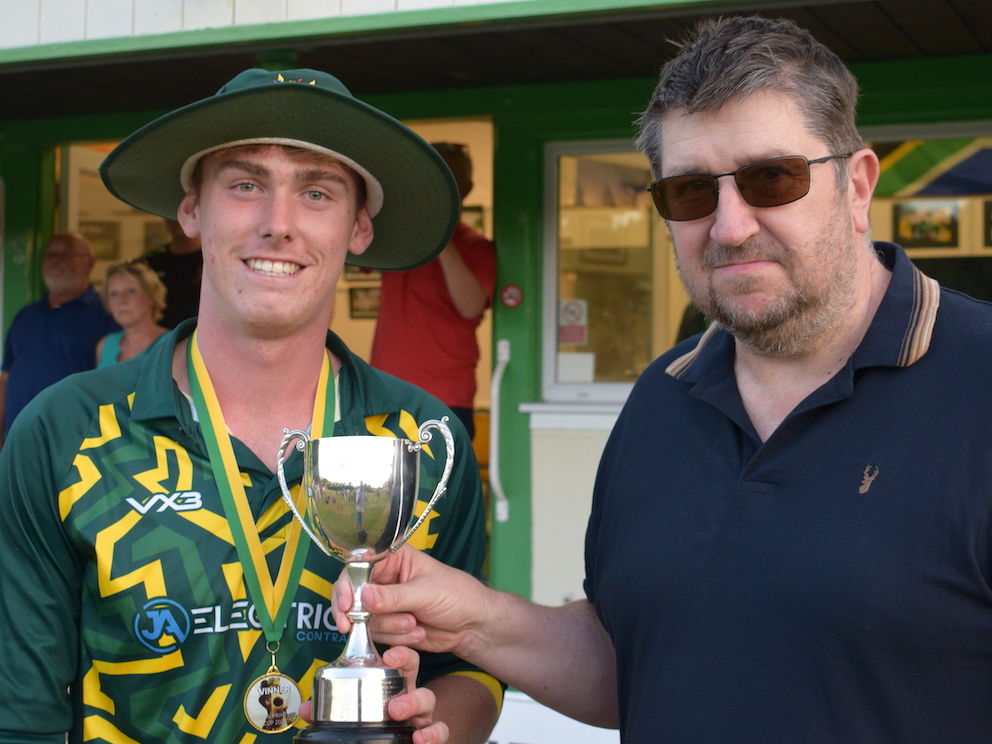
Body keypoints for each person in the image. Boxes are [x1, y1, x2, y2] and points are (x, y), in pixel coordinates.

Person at [332, 15, 992, 744]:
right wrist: (482, 618)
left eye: (772, 178)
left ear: (858, 184)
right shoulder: (661, 398)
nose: (731, 226)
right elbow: (633, 659)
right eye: (690, 192)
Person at [0, 68, 501, 744]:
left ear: (359, 229)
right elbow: (21, 715)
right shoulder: (63, 433)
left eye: (316, 192)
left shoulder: (425, 442)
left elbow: (470, 671)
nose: (277, 224)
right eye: (244, 185)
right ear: (190, 212)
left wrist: (435, 724)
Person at [370, 142, 497, 440]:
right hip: (385, 391)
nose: (441, 185)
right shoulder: (400, 237)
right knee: (384, 487)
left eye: (449, 176)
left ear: (466, 188)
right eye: (433, 175)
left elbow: (470, 306)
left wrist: (440, 235)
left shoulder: (475, 246)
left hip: (446, 394)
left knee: (442, 486)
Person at [0, 231, 119, 439]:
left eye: (66, 254)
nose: (56, 260)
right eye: (50, 254)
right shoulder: (26, 315)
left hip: (74, 444)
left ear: (90, 263)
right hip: (18, 442)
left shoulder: (106, 314)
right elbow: (6, 379)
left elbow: (117, 386)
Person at [96, 260, 169, 366]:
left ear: (151, 297)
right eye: (114, 294)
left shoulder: (171, 344)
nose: (121, 301)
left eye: (131, 291)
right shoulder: (105, 346)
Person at [143, 218, 203, 328]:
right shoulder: (151, 263)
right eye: (170, 215)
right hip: (162, 338)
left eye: (181, 216)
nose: (176, 220)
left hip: (201, 336)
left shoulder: (213, 260)